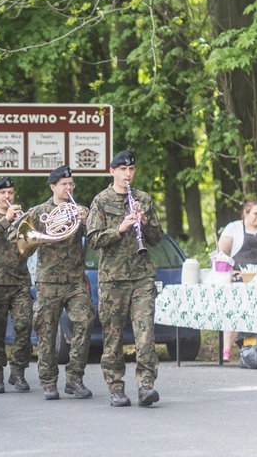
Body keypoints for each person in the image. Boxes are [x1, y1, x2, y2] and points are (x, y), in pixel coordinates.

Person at [86, 150, 164, 408]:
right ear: (113, 171)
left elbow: (156, 239)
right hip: (113, 279)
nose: (128, 175)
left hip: (142, 276)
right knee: (113, 336)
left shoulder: (143, 199)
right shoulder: (101, 201)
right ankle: (116, 387)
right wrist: (119, 229)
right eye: (122, 170)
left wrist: (144, 221)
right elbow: (94, 239)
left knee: (145, 334)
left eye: (131, 170)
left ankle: (145, 386)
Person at [22, 167, 96, 400]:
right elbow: (23, 244)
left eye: (71, 184)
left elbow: (95, 241)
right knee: (46, 330)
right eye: (64, 184)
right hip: (48, 281)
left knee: (86, 321)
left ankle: (75, 378)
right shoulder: (39, 212)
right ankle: (48, 381)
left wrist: (86, 222)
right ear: (53, 187)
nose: (69, 188)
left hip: (75, 281)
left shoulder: (80, 210)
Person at [0, 177, 34, 394]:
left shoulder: (22, 218)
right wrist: (5, 220)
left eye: (10, 192)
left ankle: (18, 371)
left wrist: (24, 224)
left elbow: (31, 246)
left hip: (20, 280)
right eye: (2, 193)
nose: (7, 197)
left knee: (24, 325)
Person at [218, 199, 257, 361]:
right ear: (246, 213)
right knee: (235, 313)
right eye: (255, 213)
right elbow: (221, 251)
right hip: (239, 279)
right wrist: (230, 270)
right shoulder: (234, 228)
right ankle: (226, 351)